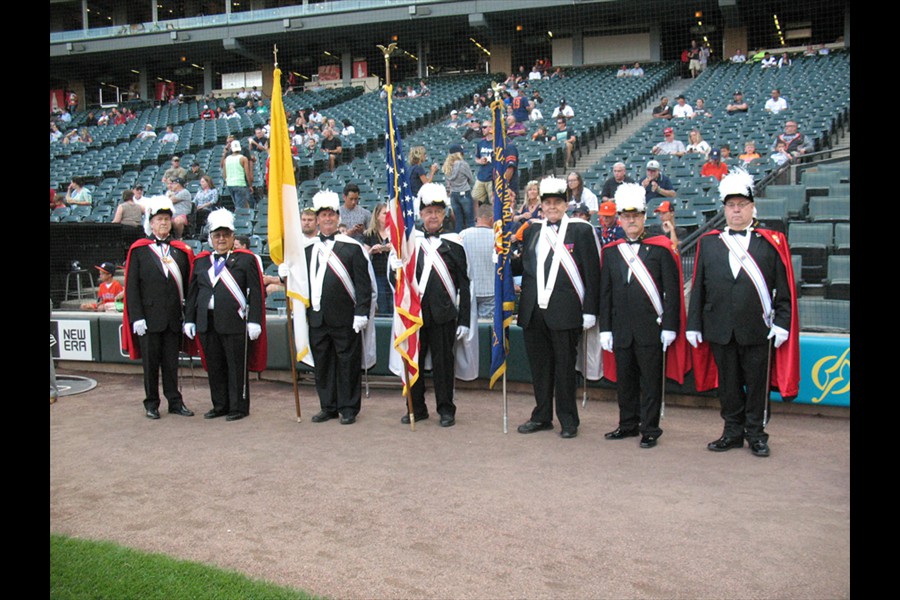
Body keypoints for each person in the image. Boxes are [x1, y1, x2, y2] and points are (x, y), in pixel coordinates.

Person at [687, 169, 799, 458]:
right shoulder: (709, 242)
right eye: (731, 205)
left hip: (757, 327)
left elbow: (784, 289)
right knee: (729, 385)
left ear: (752, 207)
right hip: (720, 326)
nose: (736, 210)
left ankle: (757, 434)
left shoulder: (771, 241)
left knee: (757, 385)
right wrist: (694, 324)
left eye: (741, 205)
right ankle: (732, 432)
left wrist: (783, 323)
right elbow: (699, 286)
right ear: (724, 209)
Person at [514, 177, 601, 439]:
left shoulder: (582, 230)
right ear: (540, 205)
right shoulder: (531, 231)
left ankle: (568, 419)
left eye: (557, 202)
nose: (552, 207)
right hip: (533, 312)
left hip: (565, 312)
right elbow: (525, 268)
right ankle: (541, 416)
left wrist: (590, 310)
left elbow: (592, 273)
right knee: (540, 369)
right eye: (547, 202)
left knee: (564, 369)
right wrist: (503, 256)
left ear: (566, 204)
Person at [600, 183, 685, 449]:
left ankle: (650, 429)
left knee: (650, 382)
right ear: (620, 219)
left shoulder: (660, 248)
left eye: (635, 216)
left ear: (644, 217)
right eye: (626, 216)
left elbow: (672, 291)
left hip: (652, 327)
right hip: (622, 328)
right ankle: (627, 424)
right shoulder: (612, 252)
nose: (631, 221)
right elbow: (606, 294)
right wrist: (605, 329)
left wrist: (670, 326)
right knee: (625, 381)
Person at [393, 183, 471, 427]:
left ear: (444, 213)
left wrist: (465, 320)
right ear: (421, 214)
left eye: (437, 211)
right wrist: (394, 268)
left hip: (444, 315)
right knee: (413, 360)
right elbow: (398, 282)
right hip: (414, 314)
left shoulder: (455, 244)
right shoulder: (409, 243)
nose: (433, 216)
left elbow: (465, 286)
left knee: (443, 365)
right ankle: (416, 408)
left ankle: (446, 409)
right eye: (428, 211)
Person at [294, 191, 372, 424]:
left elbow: (363, 285)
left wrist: (361, 312)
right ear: (317, 219)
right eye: (323, 215)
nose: (328, 219)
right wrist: (287, 274)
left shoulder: (352, 248)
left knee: (347, 365)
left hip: (345, 318)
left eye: (331, 215)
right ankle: (327, 406)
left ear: (338, 218)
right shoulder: (306, 251)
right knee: (324, 366)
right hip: (317, 319)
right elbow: (301, 283)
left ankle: (348, 408)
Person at [183, 209, 266, 422]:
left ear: (232, 237)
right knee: (214, 365)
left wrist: (255, 321)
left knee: (236, 366)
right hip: (207, 322)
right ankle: (219, 405)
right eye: (217, 235)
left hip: (234, 322)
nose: (221, 239)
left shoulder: (245, 261)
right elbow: (193, 294)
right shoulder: (201, 262)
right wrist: (189, 319)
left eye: (226, 235)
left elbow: (256, 293)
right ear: (210, 238)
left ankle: (238, 407)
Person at [122, 196, 196, 420]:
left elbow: (190, 285)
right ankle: (151, 403)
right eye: (159, 219)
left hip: (173, 317)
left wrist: (188, 317)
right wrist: (137, 317)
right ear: (151, 223)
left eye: (167, 219)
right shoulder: (139, 250)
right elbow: (132, 287)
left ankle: (175, 401)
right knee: (151, 364)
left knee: (172, 364)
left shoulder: (180, 251)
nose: (164, 223)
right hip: (149, 318)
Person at [460, 204, 495, 319]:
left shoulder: (463, 235)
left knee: (469, 331)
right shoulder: (497, 236)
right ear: (492, 219)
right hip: (491, 290)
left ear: (477, 218)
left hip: (469, 289)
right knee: (485, 331)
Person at [362, 203, 393, 316]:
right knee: (382, 303)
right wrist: (372, 251)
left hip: (393, 273)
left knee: (393, 302)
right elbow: (364, 256)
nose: (387, 216)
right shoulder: (370, 234)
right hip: (378, 273)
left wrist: (393, 248)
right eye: (384, 213)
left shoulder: (395, 233)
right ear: (377, 216)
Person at [444, 143, 475, 233]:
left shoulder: (447, 166)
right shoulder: (463, 164)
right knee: (470, 220)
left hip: (454, 195)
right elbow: (471, 179)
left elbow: (448, 183)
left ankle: (457, 242)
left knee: (459, 221)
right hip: (464, 193)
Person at [223, 139, 254, 209]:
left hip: (230, 184)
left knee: (237, 204)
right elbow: (247, 174)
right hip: (240, 184)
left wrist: (228, 181)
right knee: (241, 207)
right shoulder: (243, 158)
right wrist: (250, 185)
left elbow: (224, 175)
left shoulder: (226, 159)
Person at [472, 121, 494, 205]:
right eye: (482, 127)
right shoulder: (481, 143)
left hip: (492, 177)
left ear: (491, 128)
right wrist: (480, 161)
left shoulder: (496, 142)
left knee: (494, 203)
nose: (482, 129)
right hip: (481, 177)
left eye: (484, 127)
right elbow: (476, 158)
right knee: (474, 201)